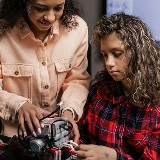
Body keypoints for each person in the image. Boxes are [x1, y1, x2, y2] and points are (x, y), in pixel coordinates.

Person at [0, 0, 90, 143]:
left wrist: (69, 111)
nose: (50, 17)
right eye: (40, 8)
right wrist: (18, 105)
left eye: (58, 8)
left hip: (60, 138)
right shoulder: (2, 32)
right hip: (13, 141)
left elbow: (77, 80)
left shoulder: (77, 29)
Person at [75, 12, 160, 160]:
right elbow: (82, 137)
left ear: (138, 52)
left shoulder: (156, 104)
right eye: (105, 55)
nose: (109, 63)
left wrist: (112, 156)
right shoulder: (98, 92)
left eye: (117, 54)